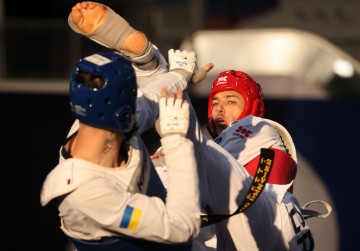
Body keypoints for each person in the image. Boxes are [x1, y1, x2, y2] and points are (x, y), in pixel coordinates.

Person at [66, 2, 316, 250]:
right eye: (215, 100)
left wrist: (172, 82)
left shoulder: (258, 127)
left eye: (231, 100)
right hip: (215, 233)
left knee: (190, 145)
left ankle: (148, 64)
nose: (220, 107)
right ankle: (148, 64)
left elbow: (190, 155)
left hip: (270, 232)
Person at [40, 51, 202, 250]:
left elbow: (152, 97)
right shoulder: (85, 192)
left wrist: (181, 73)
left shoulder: (108, 122)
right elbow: (182, 228)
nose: (137, 99)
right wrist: (175, 139)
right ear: (123, 110)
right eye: (133, 94)